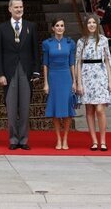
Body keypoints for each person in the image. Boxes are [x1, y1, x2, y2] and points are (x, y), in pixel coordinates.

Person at [0, 0, 40, 150]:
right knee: (12, 108)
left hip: (26, 72)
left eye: (21, 7)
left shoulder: (31, 26)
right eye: (16, 7)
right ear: (10, 9)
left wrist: (36, 71)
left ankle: (24, 139)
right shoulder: (2, 28)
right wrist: (0, 74)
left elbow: (36, 51)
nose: (19, 9)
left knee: (25, 107)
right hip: (9, 73)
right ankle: (13, 139)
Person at [76, 14, 111, 151]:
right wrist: (79, 83)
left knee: (100, 109)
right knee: (89, 109)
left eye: (94, 22)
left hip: (101, 75)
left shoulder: (104, 40)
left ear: (97, 25)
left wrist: (110, 80)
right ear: (86, 25)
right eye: (89, 23)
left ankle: (103, 140)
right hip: (86, 75)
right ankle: (94, 141)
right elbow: (78, 63)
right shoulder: (81, 41)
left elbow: (108, 60)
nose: (91, 25)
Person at [42, 18, 76, 150]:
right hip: (53, 77)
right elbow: (45, 64)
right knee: (56, 109)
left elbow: (72, 63)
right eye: (57, 25)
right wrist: (46, 83)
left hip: (66, 77)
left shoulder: (70, 42)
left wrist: (74, 81)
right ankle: (58, 138)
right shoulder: (47, 43)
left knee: (67, 110)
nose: (60, 28)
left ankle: (66, 138)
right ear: (53, 28)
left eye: (62, 25)